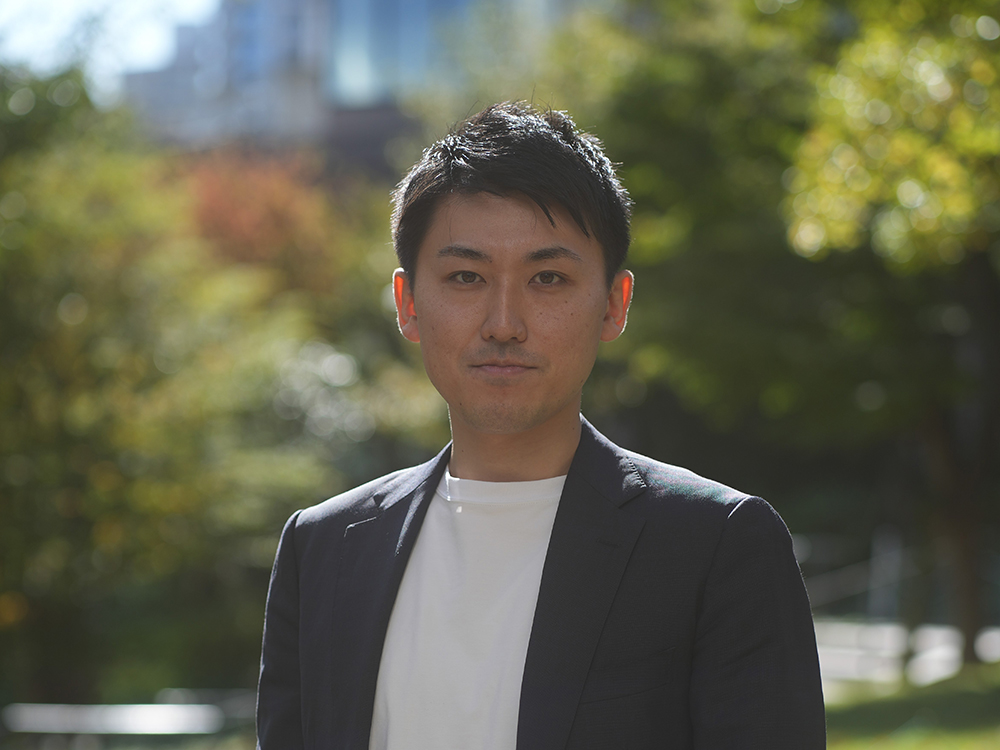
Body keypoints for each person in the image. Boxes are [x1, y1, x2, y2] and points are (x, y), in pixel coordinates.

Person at [256, 101, 826, 750]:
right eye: (466, 276)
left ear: (614, 305)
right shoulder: (324, 549)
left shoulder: (716, 548)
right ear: (409, 304)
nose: (504, 323)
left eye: (547, 278)